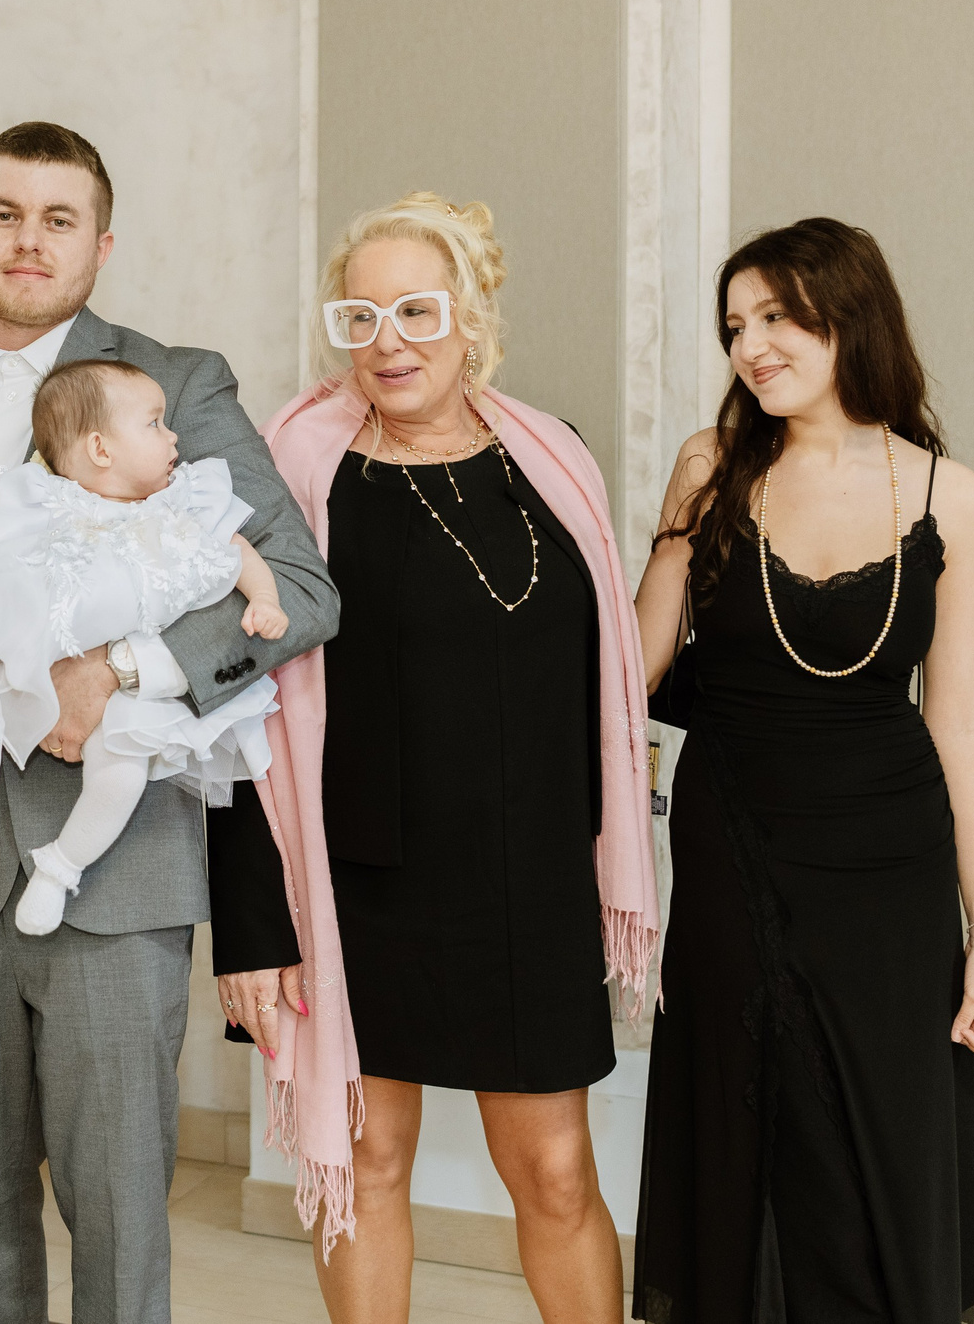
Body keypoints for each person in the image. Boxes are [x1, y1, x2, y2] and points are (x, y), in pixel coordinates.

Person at [0, 121, 338, 1324]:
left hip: (118, 868)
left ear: (100, 244)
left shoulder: (177, 381)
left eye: (58, 219)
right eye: (4, 214)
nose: (29, 239)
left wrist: (118, 672)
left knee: (120, 1212)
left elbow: (298, 590)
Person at [218, 192, 660, 1324]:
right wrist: (254, 928)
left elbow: (598, 683)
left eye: (414, 311)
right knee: (367, 1168)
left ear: (470, 317)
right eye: (357, 317)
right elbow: (229, 708)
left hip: (528, 882)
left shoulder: (555, 462)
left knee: (556, 1174)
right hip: (360, 886)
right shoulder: (294, 474)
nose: (386, 343)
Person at [631, 218, 974, 1324]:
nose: (750, 346)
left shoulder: (952, 497)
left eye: (776, 318)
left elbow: (959, 721)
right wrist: (667, 534)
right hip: (734, 832)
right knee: (744, 1114)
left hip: (889, 860)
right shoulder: (711, 466)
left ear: (849, 315)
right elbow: (635, 667)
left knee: (878, 1132)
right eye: (735, 326)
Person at [0, 358, 285, 935]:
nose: (173, 435)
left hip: (130, 669)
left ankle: (60, 869)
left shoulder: (184, 498)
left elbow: (241, 553)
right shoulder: (42, 496)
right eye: (156, 424)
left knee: (124, 764)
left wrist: (264, 600)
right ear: (101, 450)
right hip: (39, 634)